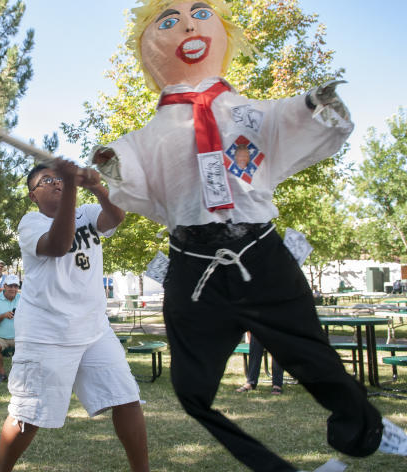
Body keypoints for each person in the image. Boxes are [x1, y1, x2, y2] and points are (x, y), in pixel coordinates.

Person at [91, 1, 407, 468]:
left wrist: (312, 104)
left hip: (260, 253)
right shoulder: (150, 134)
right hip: (193, 265)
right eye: (170, 21)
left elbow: (284, 118)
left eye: (200, 14)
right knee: (191, 389)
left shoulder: (248, 112)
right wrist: (108, 163)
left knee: (312, 355)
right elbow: (131, 168)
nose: (188, 26)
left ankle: (365, 430)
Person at [0, 162, 149, 472]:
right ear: (33, 195)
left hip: (93, 328)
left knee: (126, 397)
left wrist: (96, 187)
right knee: (28, 414)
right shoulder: (31, 223)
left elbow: (116, 217)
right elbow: (58, 245)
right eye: (46, 180)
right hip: (46, 332)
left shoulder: (86, 213)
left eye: (59, 178)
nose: (56, 183)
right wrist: (71, 190)